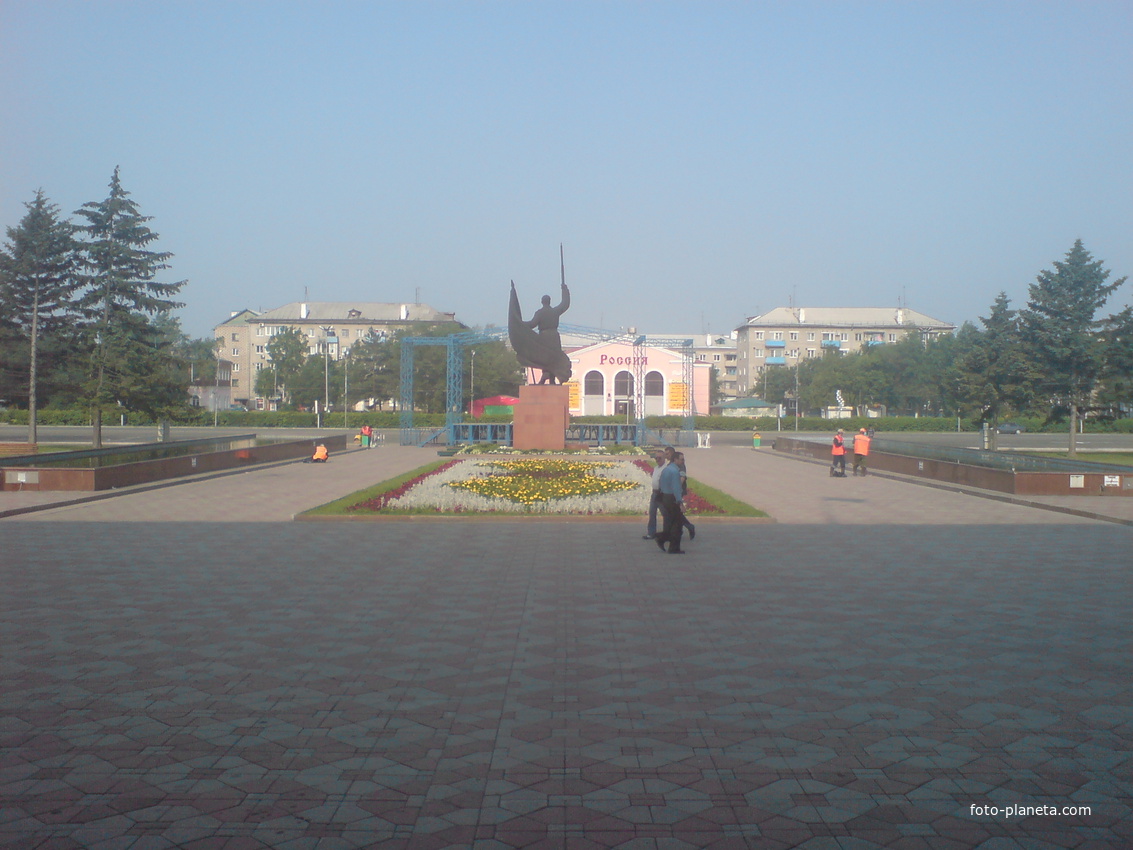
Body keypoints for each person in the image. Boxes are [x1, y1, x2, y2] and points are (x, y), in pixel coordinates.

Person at [655, 449, 687, 554]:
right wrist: (680, 502)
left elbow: (661, 483)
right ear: (675, 459)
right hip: (672, 498)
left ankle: (663, 539)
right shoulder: (674, 472)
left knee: (671, 523)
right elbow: (676, 488)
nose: (683, 461)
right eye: (681, 459)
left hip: (665, 497)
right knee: (677, 525)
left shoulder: (667, 469)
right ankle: (671, 545)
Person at [642, 448, 668, 540]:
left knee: (665, 514)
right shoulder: (656, 468)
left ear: (664, 458)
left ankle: (667, 533)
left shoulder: (666, 469)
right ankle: (651, 533)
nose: (657, 460)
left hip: (662, 494)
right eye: (656, 458)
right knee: (652, 513)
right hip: (655, 493)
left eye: (659, 458)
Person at [674, 452, 696, 540]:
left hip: (678, 491)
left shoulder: (681, 466)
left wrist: (675, 489)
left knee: (676, 512)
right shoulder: (672, 465)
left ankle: (687, 527)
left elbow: (681, 479)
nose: (683, 461)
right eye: (682, 459)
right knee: (676, 512)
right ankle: (680, 529)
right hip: (674, 491)